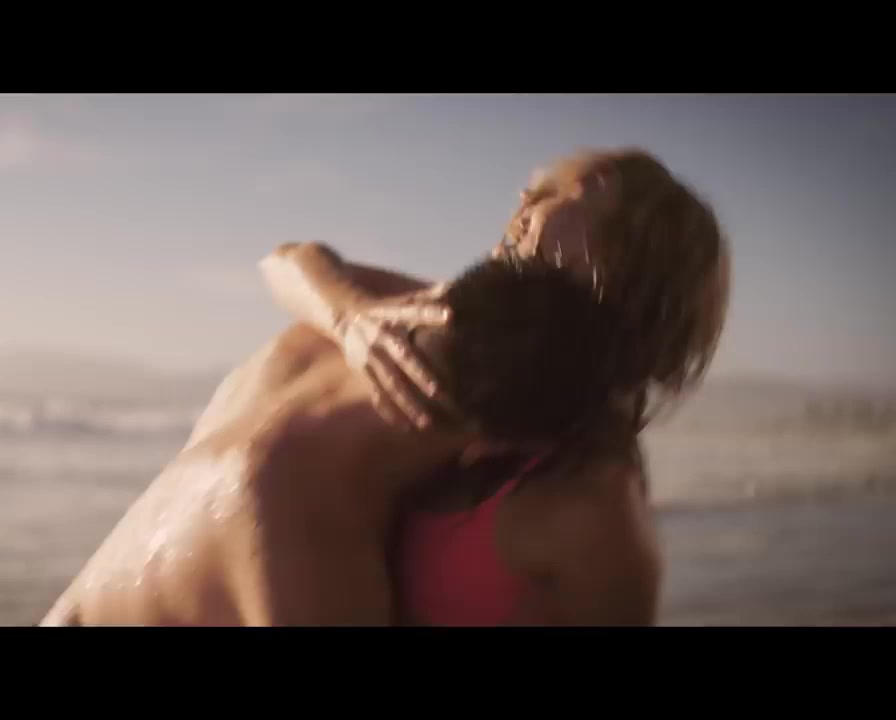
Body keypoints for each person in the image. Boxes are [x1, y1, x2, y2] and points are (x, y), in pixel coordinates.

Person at [40, 147, 729, 626]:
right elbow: (288, 259)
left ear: (632, 258)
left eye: (560, 195)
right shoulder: (426, 314)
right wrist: (348, 314)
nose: (523, 203)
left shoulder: (585, 481)